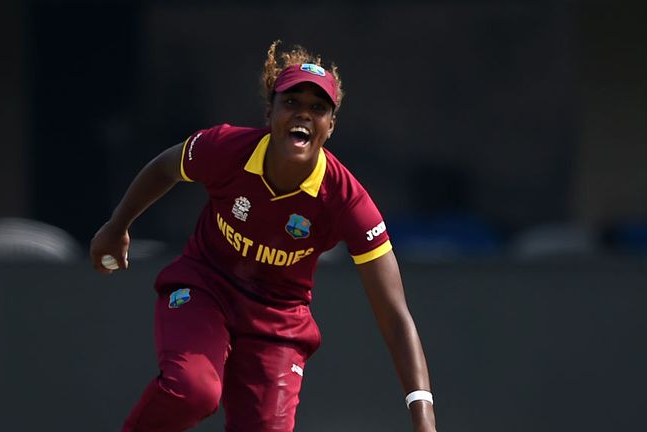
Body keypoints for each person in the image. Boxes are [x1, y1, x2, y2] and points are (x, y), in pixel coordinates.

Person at [90, 40, 437, 432]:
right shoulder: (227, 148)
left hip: (278, 322)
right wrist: (117, 226)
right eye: (292, 103)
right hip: (206, 289)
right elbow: (166, 167)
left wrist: (422, 416)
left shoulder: (346, 200)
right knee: (193, 392)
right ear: (270, 111)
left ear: (330, 126)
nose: (303, 114)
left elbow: (394, 316)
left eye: (318, 108)